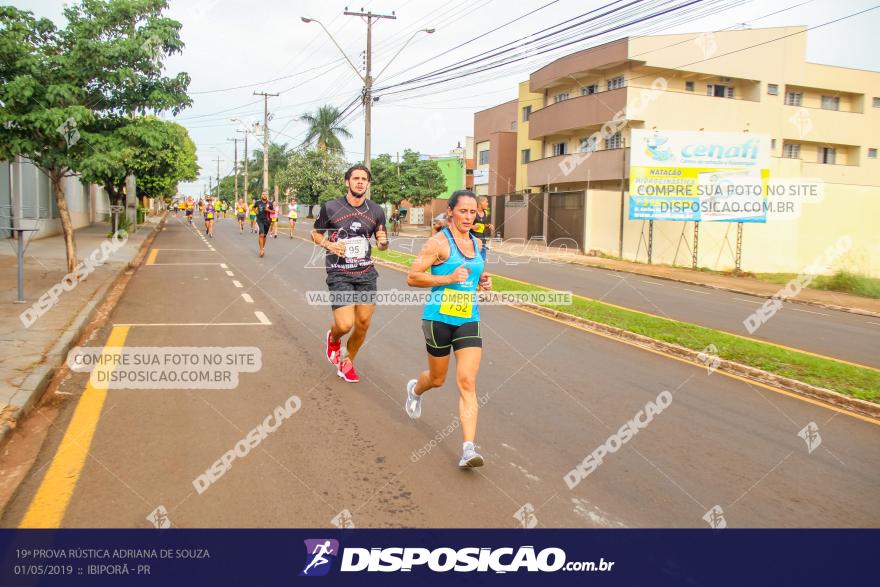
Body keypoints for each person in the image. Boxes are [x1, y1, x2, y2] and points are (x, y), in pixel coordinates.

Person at [404, 189, 492, 468]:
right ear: (451, 211)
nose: (468, 216)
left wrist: (483, 283)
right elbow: (413, 277)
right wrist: (448, 278)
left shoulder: (478, 245)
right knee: (437, 379)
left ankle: (468, 449)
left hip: (468, 318)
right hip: (437, 319)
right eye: (463, 211)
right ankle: (415, 390)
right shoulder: (437, 243)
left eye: (473, 211)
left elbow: (474, 275)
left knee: (467, 381)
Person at [311, 164, 388, 383]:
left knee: (363, 323)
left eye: (364, 179)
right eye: (356, 178)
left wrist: (383, 243)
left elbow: (382, 241)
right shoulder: (331, 207)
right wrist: (329, 245)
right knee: (345, 325)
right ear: (347, 182)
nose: (360, 182)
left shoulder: (376, 210)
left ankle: (347, 362)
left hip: (366, 273)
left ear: (368, 183)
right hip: (339, 272)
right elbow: (315, 234)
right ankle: (334, 339)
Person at [471, 195, 494, 261]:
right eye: (486, 202)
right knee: (474, 259)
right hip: (473, 239)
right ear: (481, 202)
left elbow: (482, 225)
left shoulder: (485, 213)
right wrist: (472, 226)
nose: (487, 204)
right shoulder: (473, 212)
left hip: (482, 239)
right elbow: (464, 224)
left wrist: (488, 226)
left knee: (482, 259)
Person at [254, 191, 274, 257]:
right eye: (263, 194)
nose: (264, 195)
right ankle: (261, 250)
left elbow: (273, 212)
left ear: (267, 195)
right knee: (261, 235)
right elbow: (254, 208)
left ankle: (262, 248)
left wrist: (268, 210)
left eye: (265, 194)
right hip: (260, 220)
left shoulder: (270, 203)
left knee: (264, 235)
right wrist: (256, 213)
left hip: (267, 221)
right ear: (261, 195)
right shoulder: (258, 202)